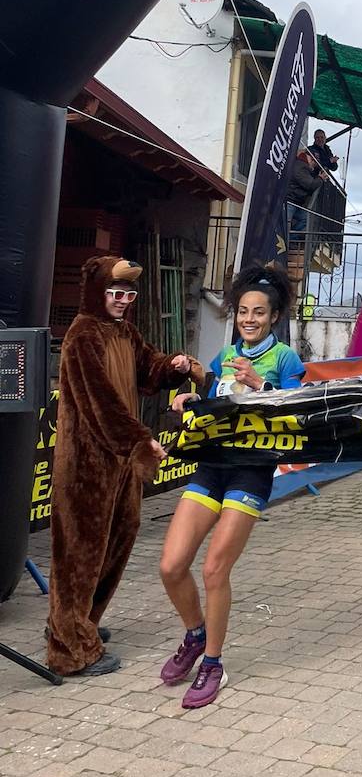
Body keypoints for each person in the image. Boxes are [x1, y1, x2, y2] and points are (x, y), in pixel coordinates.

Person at [46, 256, 202, 677]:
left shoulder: (124, 332)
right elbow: (100, 403)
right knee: (79, 552)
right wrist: (139, 439)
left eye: (129, 294)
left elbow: (147, 371)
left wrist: (172, 366)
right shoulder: (82, 335)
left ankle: (84, 623)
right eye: (115, 293)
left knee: (119, 538)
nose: (122, 301)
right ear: (98, 292)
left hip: (121, 464)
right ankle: (68, 648)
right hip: (87, 463)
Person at [158, 265, 304, 710]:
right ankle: (196, 635)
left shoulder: (285, 360)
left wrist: (262, 386)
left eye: (259, 313)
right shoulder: (225, 356)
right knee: (171, 566)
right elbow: (218, 401)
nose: (249, 319)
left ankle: (214, 664)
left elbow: (300, 414)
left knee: (214, 570)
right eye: (243, 311)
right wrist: (193, 393)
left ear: (274, 316)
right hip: (212, 465)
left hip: (251, 471)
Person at [287, 148, 327, 235]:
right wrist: (320, 178)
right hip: (290, 200)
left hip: (295, 201)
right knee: (286, 223)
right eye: (314, 162)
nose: (314, 164)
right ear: (309, 158)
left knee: (306, 218)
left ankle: (291, 239)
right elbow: (310, 185)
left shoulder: (301, 165)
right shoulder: (300, 167)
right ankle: (287, 241)